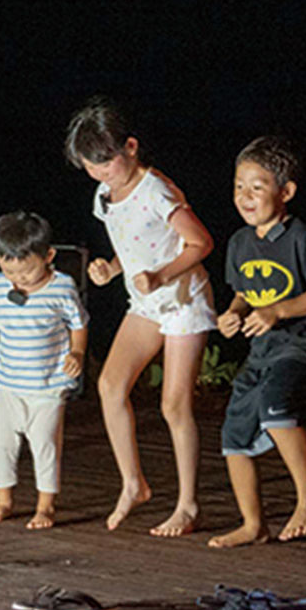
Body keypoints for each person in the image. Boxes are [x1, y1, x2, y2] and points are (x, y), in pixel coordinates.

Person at [65, 97, 215, 537]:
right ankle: (134, 484)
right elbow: (133, 243)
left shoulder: (156, 190)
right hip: (146, 302)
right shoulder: (104, 195)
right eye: (90, 166)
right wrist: (112, 269)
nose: (99, 172)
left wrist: (161, 274)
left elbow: (201, 243)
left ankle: (188, 505)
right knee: (110, 385)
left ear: (130, 147)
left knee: (174, 404)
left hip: (183, 300)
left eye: (105, 162)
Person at [208, 137, 306, 548]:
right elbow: (244, 292)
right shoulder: (240, 242)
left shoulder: (299, 237)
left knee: (276, 408)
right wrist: (232, 314)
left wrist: (278, 311)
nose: (245, 196)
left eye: (257, 187)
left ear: (286, 191)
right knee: (233, 436)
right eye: (238, 186)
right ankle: (252, 524)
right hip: (259, 352)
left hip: (298, 347)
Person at [0, 212, 88, 530]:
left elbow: (78, 324)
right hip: (7, 382)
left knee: (45, 445)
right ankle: (4, 500)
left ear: (48, 256)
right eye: (9, 270)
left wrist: (77, 352)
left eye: (26, 271)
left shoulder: (62, 287)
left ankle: (45, 506)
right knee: (2, 445)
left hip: (48, 386)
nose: (18, 279)